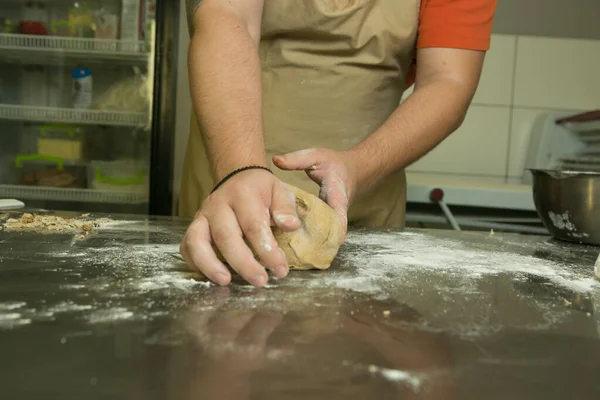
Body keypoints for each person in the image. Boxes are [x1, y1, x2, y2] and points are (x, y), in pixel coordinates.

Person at [179, 0, 498, 287]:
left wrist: (358, 168)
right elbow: (226, 13)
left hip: (365, 206)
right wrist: (240, 169)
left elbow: (447, 82)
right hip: (230, 188)